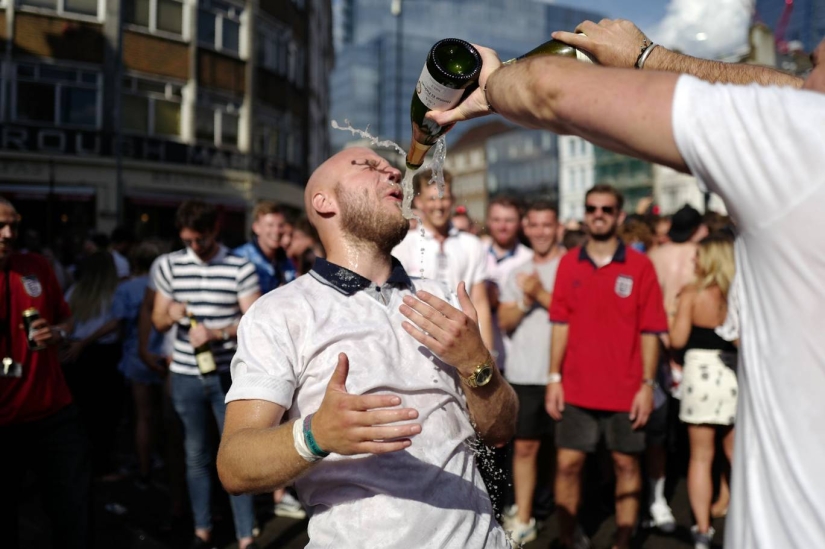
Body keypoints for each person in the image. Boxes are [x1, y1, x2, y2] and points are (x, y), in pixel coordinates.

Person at [432, 16, 823, 549]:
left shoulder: (806, 150)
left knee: (627, 470)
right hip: (578, 390)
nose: (802, 80)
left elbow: (548, 88)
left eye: (815, 65)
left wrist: (494, 84)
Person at [217, 148, 518, 548]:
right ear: (324, 203)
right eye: (368, 166)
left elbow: (500, 432)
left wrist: (477, 364)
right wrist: (314, 435)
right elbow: (235, 464)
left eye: (390, 168)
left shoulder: (441, 297)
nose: (394, 171)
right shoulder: (281, 313)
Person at [543, 185, 667, 549]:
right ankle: (568, 537)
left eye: (607, 209)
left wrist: (647, 385)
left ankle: (624, 539)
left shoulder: (641, 266)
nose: (599, 214)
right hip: (576, 387)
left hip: (626, 388)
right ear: (585, 213)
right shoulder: (569, 263)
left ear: (619, 216)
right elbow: (560, 324)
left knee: (626, 466)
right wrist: (553, 378)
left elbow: (651, 330)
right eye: (592, 208)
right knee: (567, 465)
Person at [151, 200, 261, 549]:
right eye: (188, 241)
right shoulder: (168, 266)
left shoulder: (239, 267)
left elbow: (254, 322)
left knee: (236, 454)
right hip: (185, 374)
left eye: (200, 239)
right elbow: (157, 320)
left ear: (215, 230)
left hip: (229, 374)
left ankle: (246, 535)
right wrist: (170, 314)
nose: (194, 247)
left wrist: (219, 333)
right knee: (196, 454)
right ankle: (202, 531)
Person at [0, 197, 88, 549]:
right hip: (3, 422)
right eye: (1, 226)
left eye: (14, 225)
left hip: (54, 413)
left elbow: (67, 318)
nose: (8, 233)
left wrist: (60, 332)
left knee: (72, 510)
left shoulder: (36, 265)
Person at [497, 200, 564, 544]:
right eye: (534, 225)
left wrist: (541, 294)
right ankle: (524, 516)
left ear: (559, 228)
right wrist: (525, 300)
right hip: (524, 373)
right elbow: (505, 322)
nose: (540, 232)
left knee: (564, 454)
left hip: (565, 375)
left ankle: (565, 517)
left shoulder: (571, 267)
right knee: (524, 448)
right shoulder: (516, 272)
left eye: (546, 225)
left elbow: (581, 318)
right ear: (527, 228)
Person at [670, 233, 737, 549]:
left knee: (700, 457)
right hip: (734, 373)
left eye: (698, 256)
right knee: (735, 452)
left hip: (700, 375)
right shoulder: (740, 294)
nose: (694, 261)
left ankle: (702, 528)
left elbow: (678, 340)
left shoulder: (693, 293)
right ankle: (739, 506)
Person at [392, 169, 494, 349]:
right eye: (432, 199)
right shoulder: (404, 245)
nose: (438, 205)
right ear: (419, 202)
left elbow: (480, 302)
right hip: (418, 344)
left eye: (444, 197)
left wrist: (489, 354)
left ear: (452, 200)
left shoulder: (472, 244)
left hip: (464, 343)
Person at [63, 250, 124, 477]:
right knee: (104, 415)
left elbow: (65, 320)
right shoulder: (114, 293)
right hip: (103, 357)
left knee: (82, 413)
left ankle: (81, 466)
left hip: (77, 355)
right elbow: (116, 324)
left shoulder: (76, 291)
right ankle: (101, 466)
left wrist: (74, 342)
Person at [112, 241, 165, 487]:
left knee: (143, 417)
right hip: (165, 355)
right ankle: (166, 463)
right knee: (167, 417)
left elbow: (118, 325)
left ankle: (144, 468)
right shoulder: (166, 285)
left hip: (137, 356)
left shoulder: (127, 289)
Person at [234, 200, 297, 294]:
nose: (276, 231)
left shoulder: (286, 261)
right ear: (256, 228)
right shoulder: (240, 258)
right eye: (270, 225)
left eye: (280, 225)